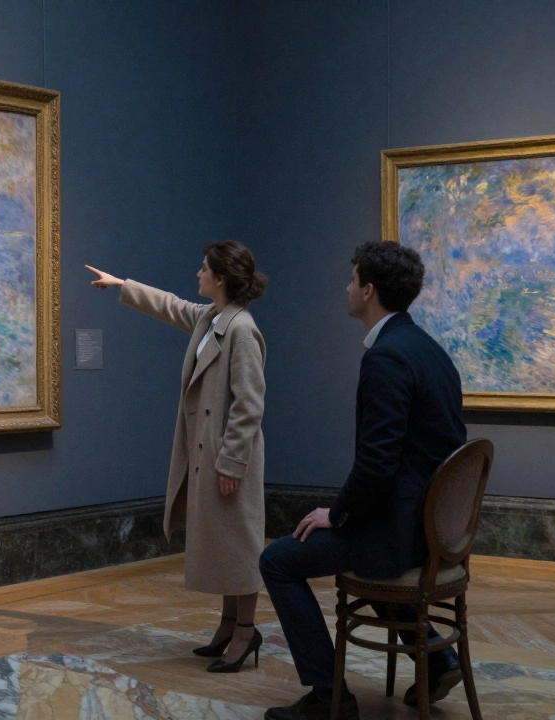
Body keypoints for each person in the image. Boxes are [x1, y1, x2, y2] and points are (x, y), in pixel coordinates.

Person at [260, 241, 467, 720]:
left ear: (369, 291)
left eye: (352, 280)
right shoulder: (429, 349)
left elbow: (377, 463)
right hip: (435, 532)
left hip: (402, 536)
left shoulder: (387, 357)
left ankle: (327, 697)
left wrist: (337, 513)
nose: (346, 288)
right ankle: (437, 657)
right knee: (354, 553)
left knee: (278, 560)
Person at [87, 241, 268, 673]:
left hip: (229, 460)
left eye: (204, 269)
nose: (198, 274)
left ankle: (246, 632)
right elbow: (171, 306)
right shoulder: (212, 317)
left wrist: (232, 462)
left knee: (240, 546)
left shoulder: (242, 330)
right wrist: (120, 285)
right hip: (211, 455)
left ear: (221, 278)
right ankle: (228, 626)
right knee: (226, 543)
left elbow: (250, 405)